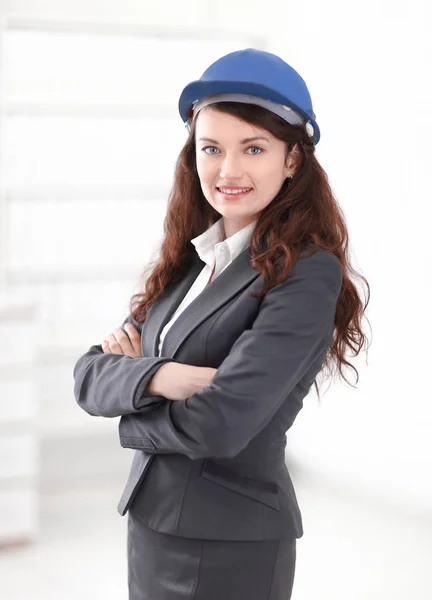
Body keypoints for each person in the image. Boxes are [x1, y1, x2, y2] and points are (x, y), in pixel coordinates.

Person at [73, 48, 370, 600]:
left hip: (229, 545)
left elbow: (222, 424)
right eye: (211, 149)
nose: (228, 170)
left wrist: (129, 411)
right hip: (151, 526)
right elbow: (88, 376)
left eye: (253, 148)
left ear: (292, 160)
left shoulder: (306, 273)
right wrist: (163, 377)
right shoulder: (190, 262)